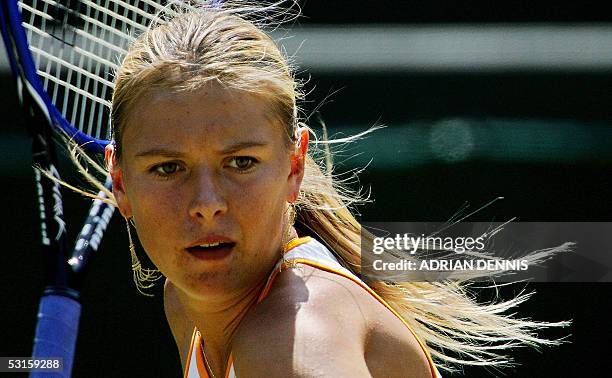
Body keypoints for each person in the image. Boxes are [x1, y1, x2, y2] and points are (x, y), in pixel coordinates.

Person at [72, 1, 568, 377]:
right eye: (167, 168)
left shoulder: (294, 334)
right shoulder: (189, 301)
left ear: (293, 166)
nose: (206, 205)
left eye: (241, 163)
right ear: (119, 182)